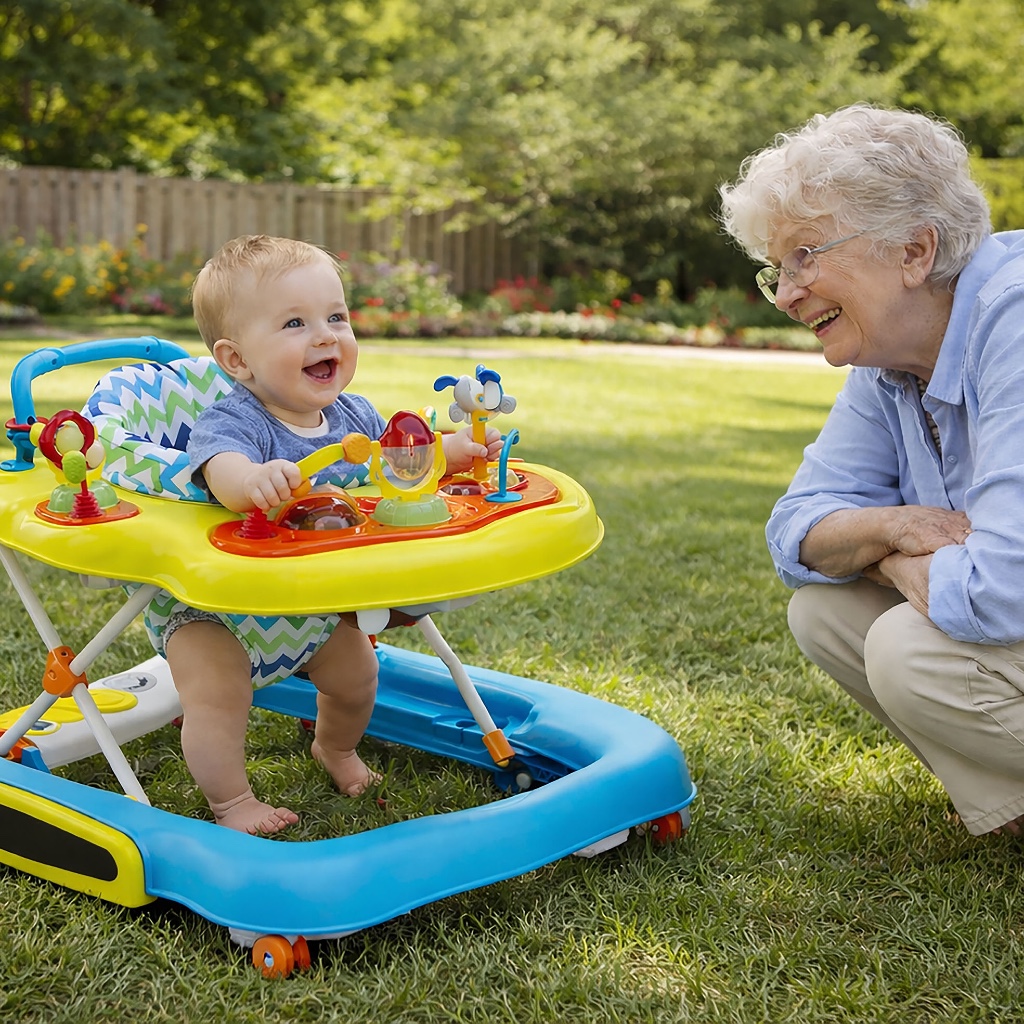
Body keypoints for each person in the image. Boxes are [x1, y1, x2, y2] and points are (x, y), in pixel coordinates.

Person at [718, 104, 1024, 838]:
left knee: (905, 648)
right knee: (826, 612)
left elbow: (1002, 591)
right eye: (778, 269)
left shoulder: (1014, 321)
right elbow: (795, 533)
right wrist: (894, 533)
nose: (786, 293)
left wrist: (886, 558)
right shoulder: (889, 359)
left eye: (805, 256)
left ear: (914, 251)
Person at [146, 234, 502, 835]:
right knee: (218, 698)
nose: (326, 336)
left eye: (336, 317)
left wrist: (455, 452)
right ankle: (232, 803)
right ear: (237, 361)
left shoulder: (355, 415)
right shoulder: (234, 421)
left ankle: (334, 748)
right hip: (216, 609)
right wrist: (251, 479)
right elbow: (220, 471)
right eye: (295, 323)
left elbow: (402, 463)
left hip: (313, 604)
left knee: (358, 678)